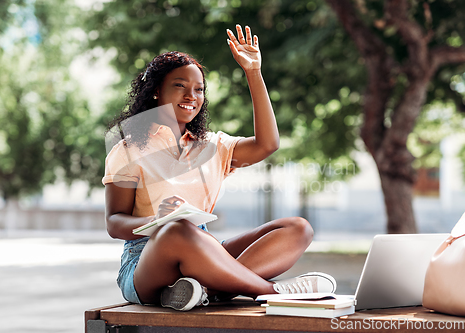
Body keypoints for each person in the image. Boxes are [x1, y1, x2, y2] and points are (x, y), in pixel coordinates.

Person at [102, 25, 336, 311]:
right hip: (146, 259)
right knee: (178, 230)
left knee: (298, 228)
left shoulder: (212, 146)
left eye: (198, 89)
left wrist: (253, 73)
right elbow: (115, 222)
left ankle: (202, 289)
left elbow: (267, 144)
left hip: (204, 250)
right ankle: (271, 291)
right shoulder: (128, 150)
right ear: (156, 92)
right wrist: (157, 222)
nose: (192, 96)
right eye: (180, 86)